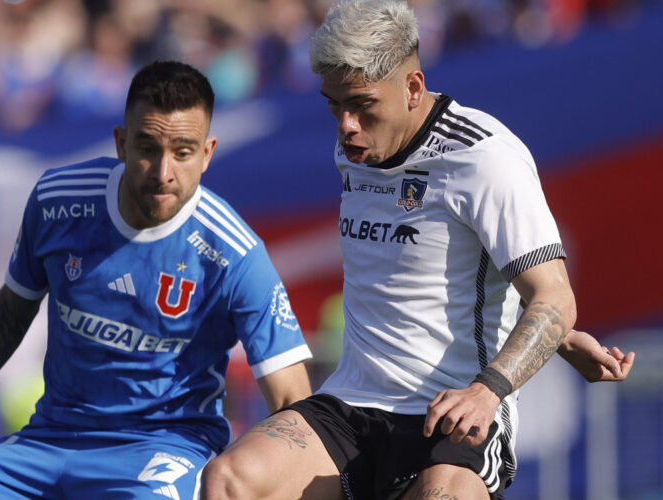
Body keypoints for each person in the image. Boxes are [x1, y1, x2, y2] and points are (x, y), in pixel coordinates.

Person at [200, 1, 635, 499]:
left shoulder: (485, 157)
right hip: (352, 402)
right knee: (230, 481)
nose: (346, 124)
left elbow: (554, 297)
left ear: (412, 88)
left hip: (453, 410)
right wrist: (558, 338)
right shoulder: (355, 148)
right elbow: (435, 269)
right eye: (334, 105)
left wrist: (491, 386)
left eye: (362, 105)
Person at [0, 60, 313, 499]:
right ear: (121, 143)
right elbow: (7, 315)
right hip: (47, 441)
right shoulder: (57, 201)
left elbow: (292, 399)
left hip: (163, 449)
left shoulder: (234, 252)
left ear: (208, 153)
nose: (163, 172)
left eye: (182, 152)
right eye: (147, 148)